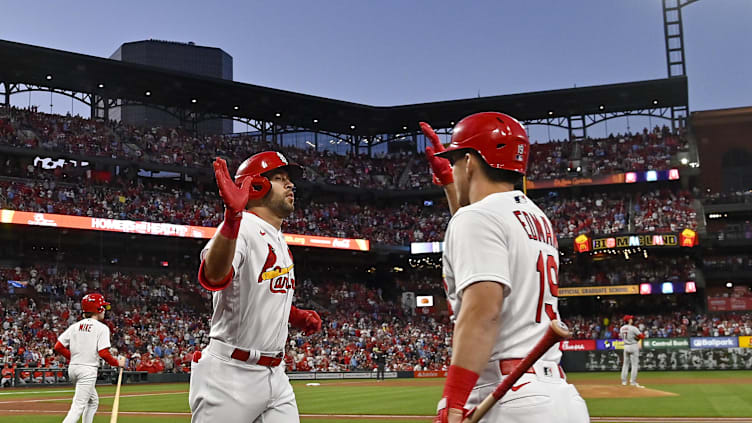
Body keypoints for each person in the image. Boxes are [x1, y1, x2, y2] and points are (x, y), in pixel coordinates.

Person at [421, 113, 589, 423]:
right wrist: (448, 184)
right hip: (559, 397)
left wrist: (453, 400)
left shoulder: (477, 219)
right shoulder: (537, 217)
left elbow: (483, 312)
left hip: (509, 397)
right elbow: (481, 232)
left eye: (456, 160)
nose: (455, 168)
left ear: (470, 162)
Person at [190, 152, 322, 423]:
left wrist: (294, 315)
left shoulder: (278, 238)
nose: (290, 185)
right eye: (279, 178)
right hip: (231, 374)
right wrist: (231, 219)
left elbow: (262, 291)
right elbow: (214, 276)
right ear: (257, 186)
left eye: (290, 180)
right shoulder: (243, 227)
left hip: (276, 374)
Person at [54, 293, 126, 423]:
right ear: (98, 309)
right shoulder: (102, 328)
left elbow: (58, 346)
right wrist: (117, 363)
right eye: (103, 307)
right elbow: (104, 353)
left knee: (93, 401)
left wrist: (75, 357)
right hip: (87, 370)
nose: (104, 310)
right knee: (77, 407)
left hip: (73, 368)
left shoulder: (75, 326)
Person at [619, 314, 645, 387]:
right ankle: (632, 382)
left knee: (625, 364)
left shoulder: (621, 328)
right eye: (630, 319)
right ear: (628, 320)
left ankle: (624, 382)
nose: (632, 320)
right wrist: (636, 338)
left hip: (626, 346)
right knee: (634, 365)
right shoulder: (633, 328)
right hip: (633, 345)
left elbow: (621, 337)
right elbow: (642, 337)